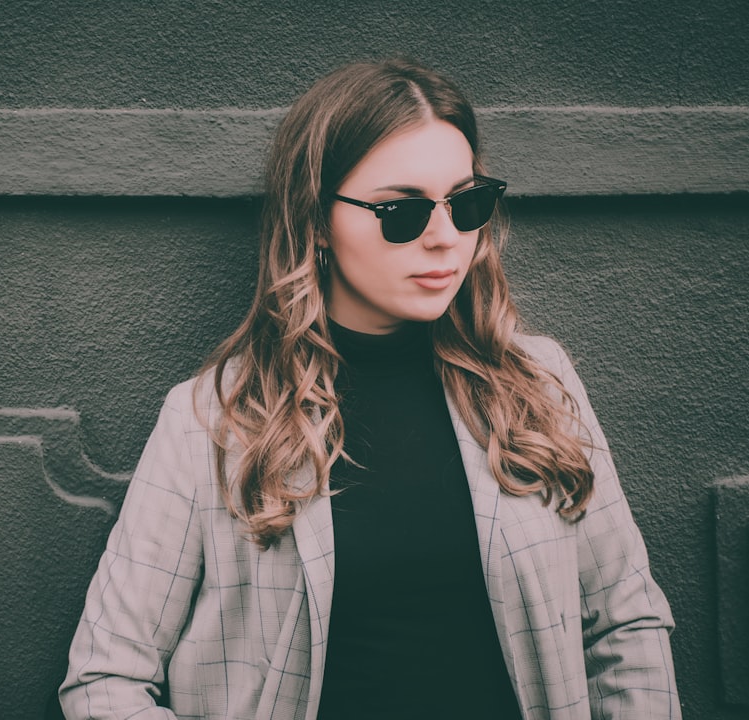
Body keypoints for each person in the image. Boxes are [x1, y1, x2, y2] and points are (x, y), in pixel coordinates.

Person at [59, 58, 680, 720]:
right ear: (319, 221)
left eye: (466, 203)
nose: (447, 239)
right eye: (402, 212)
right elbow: (105, 681)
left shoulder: (540, 384)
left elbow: (626, 624)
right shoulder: (212, 420)